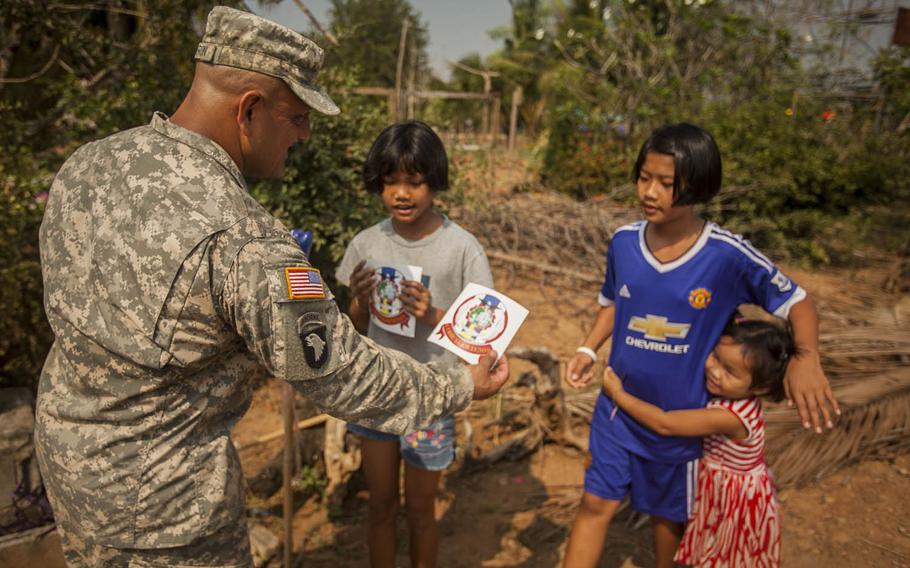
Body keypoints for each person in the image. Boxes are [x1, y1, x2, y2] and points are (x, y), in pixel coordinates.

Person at [34, 8, 509, 567]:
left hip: (74, 480)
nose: (305, 134)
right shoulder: (246, 239)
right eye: (297, 116)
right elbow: (338, 372)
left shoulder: (89, 166)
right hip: (168, 518)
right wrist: (456, 385)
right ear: (250, 110)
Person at [561, 123, 839, 568]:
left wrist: (807, 357)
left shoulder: (727, 256)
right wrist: (588, 349)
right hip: (615, 408)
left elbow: (799, 302)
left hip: (684, 423)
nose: (650, 192)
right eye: (644, 177)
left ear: (700, 186)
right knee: (595, 505)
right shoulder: (624, 243)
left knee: (667, 520)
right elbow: (615, 302)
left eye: (667, 184)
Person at [336, 121, 494, 568]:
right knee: (381, 505)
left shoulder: (462, 249)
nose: (401, 194)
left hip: (433, 396)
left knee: (422, 511)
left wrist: (433, 315)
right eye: (390, 182)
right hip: (378, 394)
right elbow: (356, 330)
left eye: (414, 181)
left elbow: (482, 339)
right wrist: (361, 301)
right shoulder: (367, 243)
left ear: (434, 182)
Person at [602, 316, 794, 567]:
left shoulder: (729, 416)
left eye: (730, 371)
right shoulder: (734, 398)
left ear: (762, 388)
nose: (715, 371)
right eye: (715, 357)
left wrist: (619, 395)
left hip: (733, 499)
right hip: (724, 487)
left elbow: (665, 423)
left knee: (726, 553)